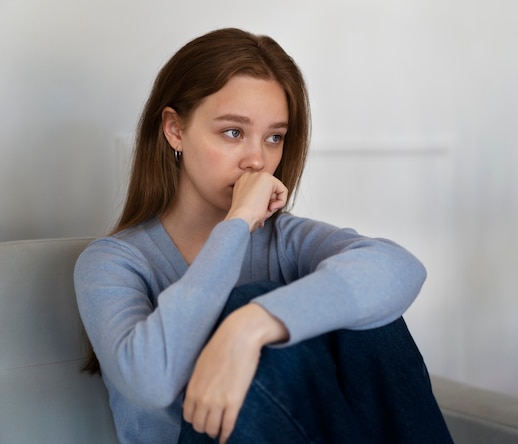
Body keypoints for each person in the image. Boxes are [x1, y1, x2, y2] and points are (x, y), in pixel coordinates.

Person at [74, 28, 453, 444]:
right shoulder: (113, 262)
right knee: (248, 298)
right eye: (233, 132)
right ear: (175, 130)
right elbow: (151, 380)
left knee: (364, 307)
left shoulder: (284, 239)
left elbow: (400, 269)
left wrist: (250, 328)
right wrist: (236, 224)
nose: (258, 160)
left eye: (274, 137)